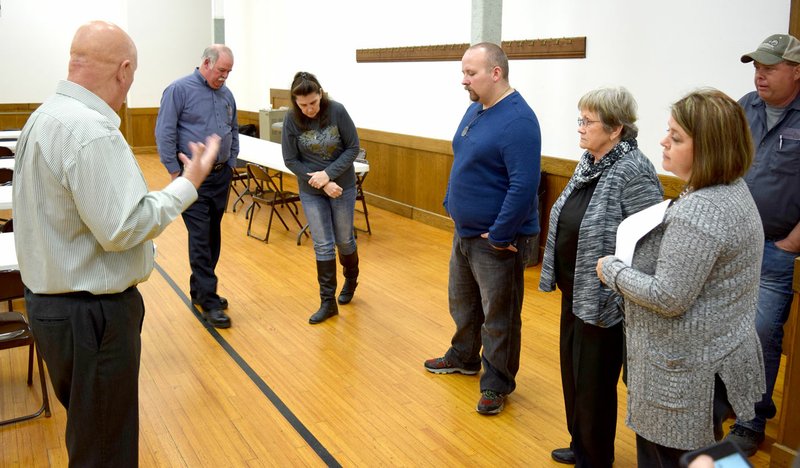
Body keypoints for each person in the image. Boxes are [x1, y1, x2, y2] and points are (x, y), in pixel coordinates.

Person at [13, 21, 219, 467]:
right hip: (93, 319)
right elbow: (124, 227)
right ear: (124, 71)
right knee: (106, 450)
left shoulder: (43, 117)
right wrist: (189, 183)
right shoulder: (90, 131)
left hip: (52, 310)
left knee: (91, 436)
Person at [597, 89, 766, 467]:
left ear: (708, 148)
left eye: (676, 137)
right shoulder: (731, 191)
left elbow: (667, 297)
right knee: (709, 455)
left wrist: (613, 271)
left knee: (677, 457)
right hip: (712, 360)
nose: (663, 141)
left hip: (685, 375)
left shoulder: (703, 210)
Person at [539, 87, 663, 466]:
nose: (580, 127)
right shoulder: (591, 161)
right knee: (573, 375)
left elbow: (651, 239)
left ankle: (594, 457)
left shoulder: (633, 169)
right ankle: (581, 445)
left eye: (587, 121)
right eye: (581, 119)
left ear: (615, 129)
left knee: (594, 384)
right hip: (576, 289)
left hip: (605, 298)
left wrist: (619, 281)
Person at [424, 42, 541, 415]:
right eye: (463, 72)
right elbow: (463, 158)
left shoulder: (519, 120)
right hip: (466, 231)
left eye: (470, 73)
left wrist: (503, 234)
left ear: (496, 73)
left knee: (499, 316)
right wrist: (450, 202)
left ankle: (497, 383)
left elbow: (524, 185)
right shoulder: (476, 108)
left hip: (495, 240)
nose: (463, 80)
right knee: (463, 303)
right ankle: (464, 357)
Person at [724, 33, 800, 456]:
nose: (760, 75)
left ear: (796, 71)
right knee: (726, 327)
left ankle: (751, 423)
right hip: (734, 243)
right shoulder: (744, 107)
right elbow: (723, 161)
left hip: (778, 247)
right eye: (756, 67)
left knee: (760, 334)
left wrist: (792, 242)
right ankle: (745, 401)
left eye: (769, 68)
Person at [155, 44, 239, 329]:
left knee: (212, 235)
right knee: (201, 237)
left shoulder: (226, 94)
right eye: (221, 71)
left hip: (220, 176)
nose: (224, 77)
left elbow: (234, 129)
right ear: (206, 62)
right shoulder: (178, 90)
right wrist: (175, 172)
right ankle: (210, 302)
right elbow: (164, 131)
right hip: (193, 178)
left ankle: (200, 290)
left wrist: (231, 163)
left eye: (228, 72)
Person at [281, 71, 361, 324]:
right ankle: (327, 303)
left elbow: (352, 147)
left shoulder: (337, 111)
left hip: (343, 187)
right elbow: (290, 159)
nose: (309, 109)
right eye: (303, 105)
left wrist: (328, 174)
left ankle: (351, 278)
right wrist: (320, 182)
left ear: (320, 95)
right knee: (323, 244)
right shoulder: (291, 120)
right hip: (312, 190)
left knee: (344, 240)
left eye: (313, 103)